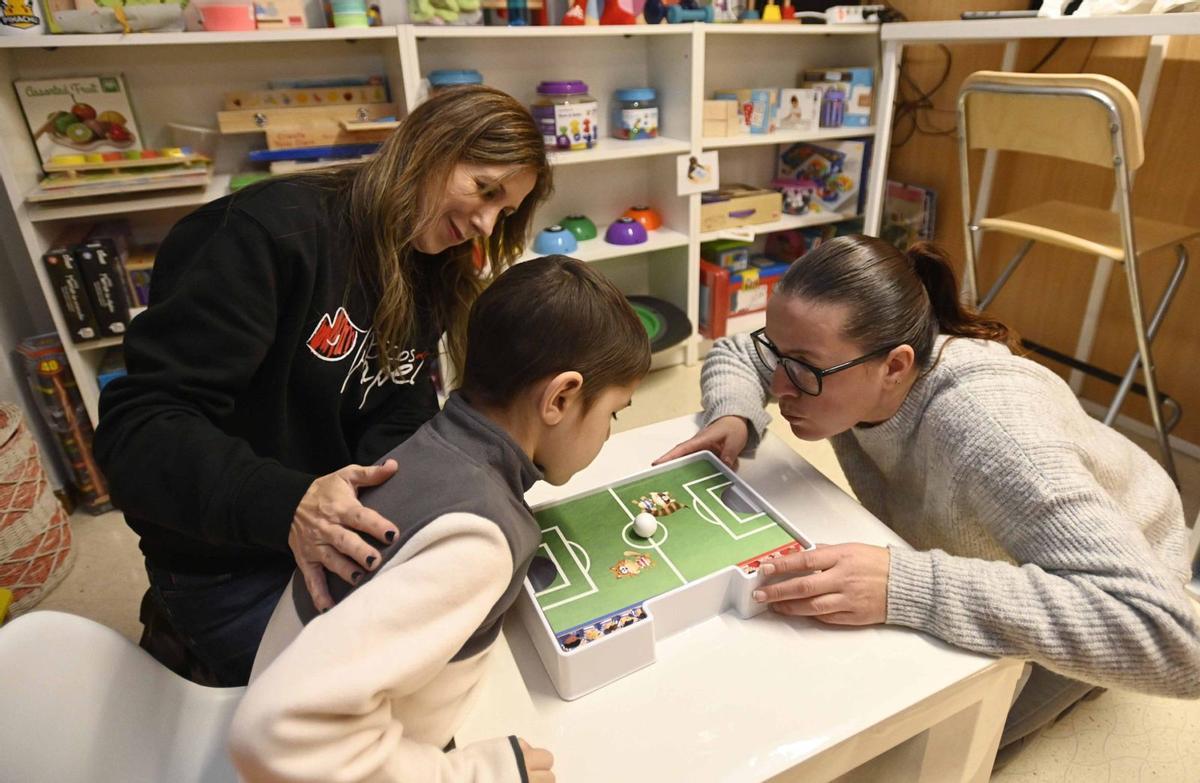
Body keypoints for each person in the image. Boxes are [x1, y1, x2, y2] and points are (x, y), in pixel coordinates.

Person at [658, 234, 1200, 751]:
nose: (779, 385)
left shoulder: (993, 434)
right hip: (992, 545)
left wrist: (908, 584)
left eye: (802, 370)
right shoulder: (841, 352)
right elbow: (740, 352)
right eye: (778, 355)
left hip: (1126, 570)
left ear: (895, 366)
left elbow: (1176, 641)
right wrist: (734, 413)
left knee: (908, 750)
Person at [92, 85, 553, 687]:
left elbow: (395, 405)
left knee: (483, 636)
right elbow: (138, 435)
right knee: (378, 701)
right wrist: (290, 504)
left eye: (506, 211)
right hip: (227, 563)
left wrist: (445, 499)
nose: (485, 224)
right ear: (428, 148)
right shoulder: (260, 235)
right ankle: (181, 636)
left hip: (330, 528)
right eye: (485, 190)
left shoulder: (427, 259)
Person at [228, 256, 652, 782]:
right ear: (561, 397)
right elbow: (275, 733)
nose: (609, 431)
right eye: (613, 412)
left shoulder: (435, 443)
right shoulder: (480, 539)